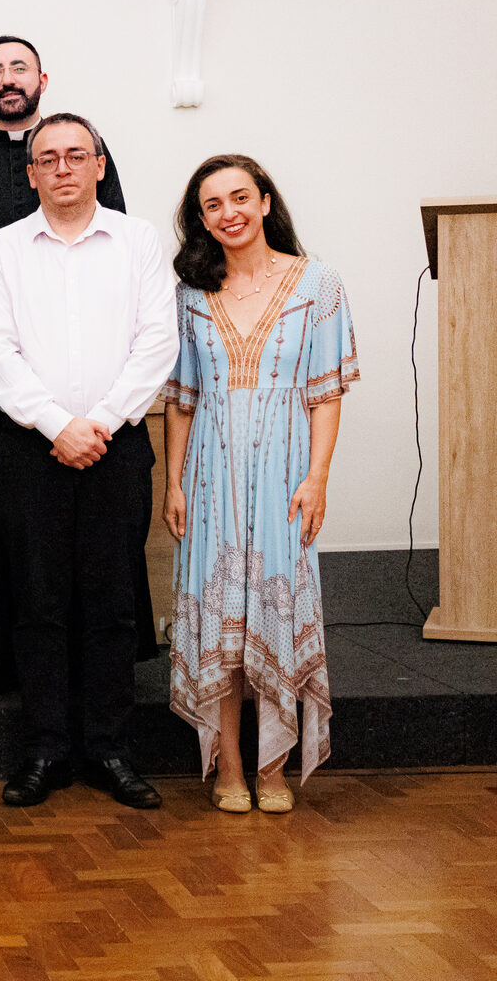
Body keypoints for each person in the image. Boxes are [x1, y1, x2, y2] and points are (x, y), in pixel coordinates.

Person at [0, 113, 177, 810]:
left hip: (115, 447)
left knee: (113, 606)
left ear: (99, 165)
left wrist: (99, 422)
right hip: (31, 450)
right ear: (30, 174)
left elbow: (158, 340)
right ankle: (45, 750)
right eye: (48, 159)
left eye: (76, 156)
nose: (62, 168)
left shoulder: (138, 240)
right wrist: (58, 425)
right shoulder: (3, 249)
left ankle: (110, 749)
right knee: (37, 605)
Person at [0, 36, 130, 694]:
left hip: (92, 398)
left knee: (97, 558)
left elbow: (115, 257)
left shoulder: (89, 154)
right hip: (0, 395)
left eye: (19, 67)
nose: (8, 79)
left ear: (42, 78)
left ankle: (88, 667)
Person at [162, 154, 355, 814]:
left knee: (272, 617)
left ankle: (273, 767)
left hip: (283, 478)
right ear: (202, 219)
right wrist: (175, 484)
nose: (229, 213)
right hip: (212, 477)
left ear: (266, 201)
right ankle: (231, 766)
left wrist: (318, 478)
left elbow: (326, 394)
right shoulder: (190, 292)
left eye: (240, 197)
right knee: (220, 620)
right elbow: (181, 398)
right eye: (213, 205)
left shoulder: (317, 284)